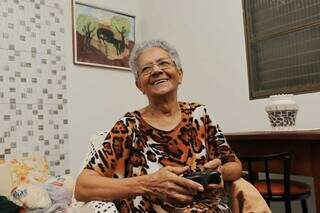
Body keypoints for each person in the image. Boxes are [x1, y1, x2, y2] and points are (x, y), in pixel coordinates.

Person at [74, 39, 267, 213]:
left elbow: (234, 165)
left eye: (164, 63)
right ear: (139, 85)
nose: (157, 70)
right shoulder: (129, 126)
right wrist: (148, 184)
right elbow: (82, 188)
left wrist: (217, 173)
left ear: (179, 74)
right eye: (146, 69)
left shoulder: (200, 114)